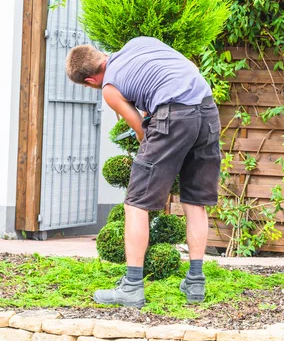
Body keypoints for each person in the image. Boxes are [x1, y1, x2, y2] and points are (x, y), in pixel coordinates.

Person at [66, 36, 221, 308]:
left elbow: (141, 131)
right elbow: (188, 68)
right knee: (195, 201)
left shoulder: (109, 89)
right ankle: (196, 282)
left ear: (90, 81)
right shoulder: (141, 43)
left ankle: (132, 287)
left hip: (174, 115)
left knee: (136, 204)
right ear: (100, 54)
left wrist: (158, 129)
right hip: (207, 110)